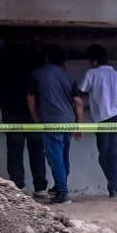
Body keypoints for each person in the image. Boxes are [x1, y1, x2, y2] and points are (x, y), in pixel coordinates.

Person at [0, 41, 48, 195]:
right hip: (32, 111)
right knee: (37, 149)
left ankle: (18, 187)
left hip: (10, 109)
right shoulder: (34, 59)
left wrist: (1, 96)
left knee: (15, 148)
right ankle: (40, 187)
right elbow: (43, 83)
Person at [27, 45, 81, 204]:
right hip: (69, 122)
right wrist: (79, 125)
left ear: (46, 58)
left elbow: (30, 98)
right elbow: (78, 102)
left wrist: (36, 117)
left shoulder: (37, 74)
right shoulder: (69, 77)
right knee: (63, 156)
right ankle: (59, 187)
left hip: (51, 122)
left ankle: (62, 194)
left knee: (55, 158)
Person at [80, 44, 117, 197]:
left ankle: (116, 188)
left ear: (94, 61)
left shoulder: (91, 74)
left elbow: (81, 92)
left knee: (104, 155)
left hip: (101, 119)